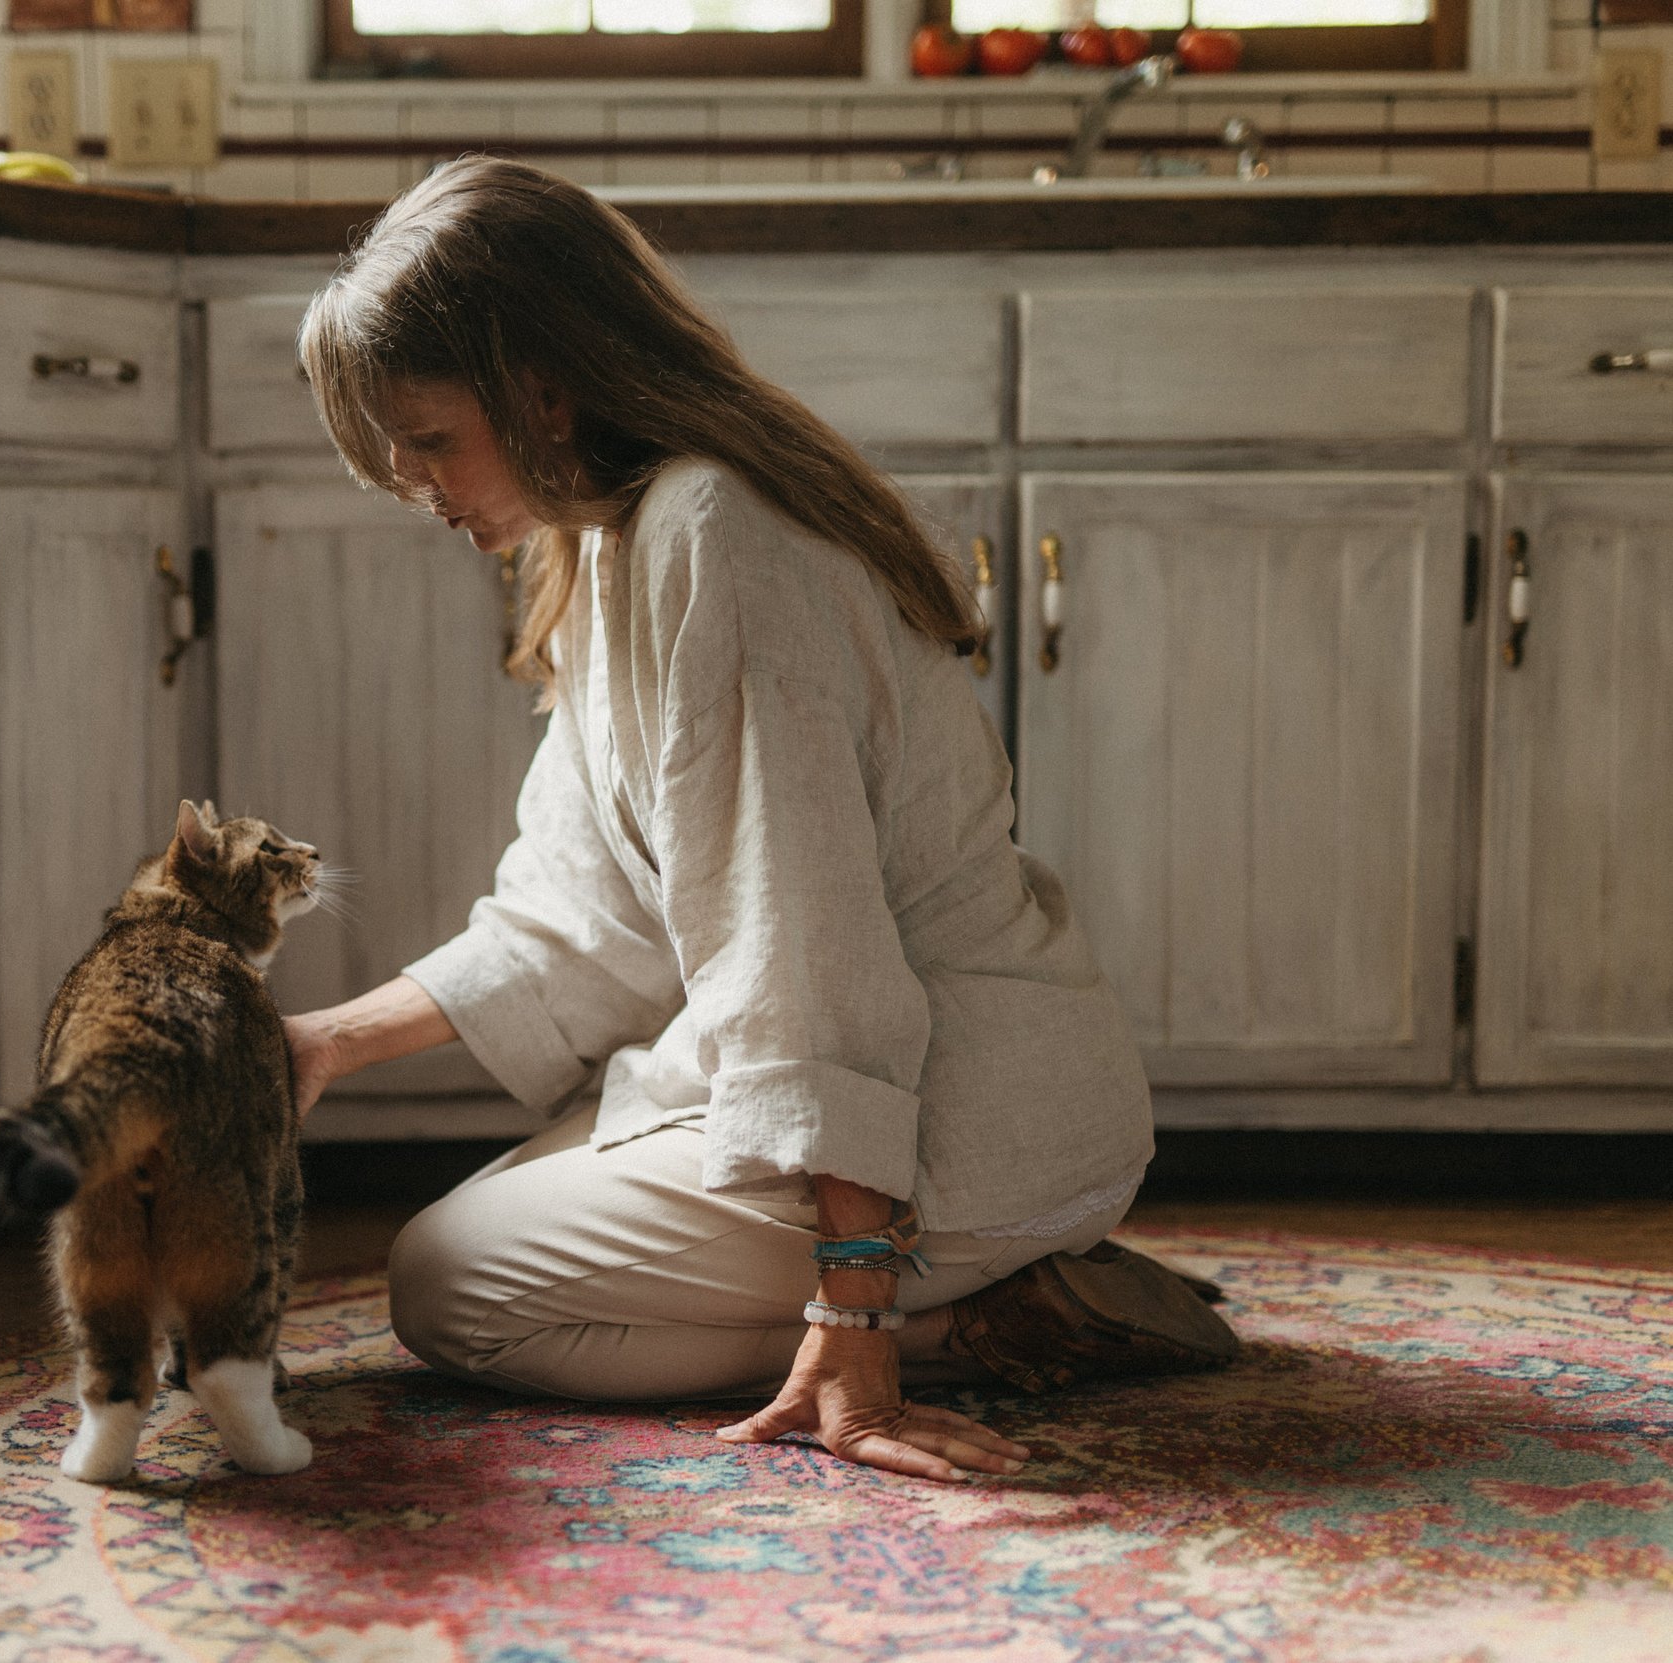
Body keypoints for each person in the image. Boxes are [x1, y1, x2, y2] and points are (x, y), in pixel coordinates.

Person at [281, 156, 1238, 1485]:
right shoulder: (604, 535)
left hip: (965, 1101)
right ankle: (1001, 1284)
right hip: (877, 1077)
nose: (408, 481)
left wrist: (854, 1315)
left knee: (453, 1287)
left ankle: (982, 1310)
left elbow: (806, 944)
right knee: (499, 1211)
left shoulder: (714, 534)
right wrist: (318, 1045)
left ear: (540, 387)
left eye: (430, 438)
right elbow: (590, 912)